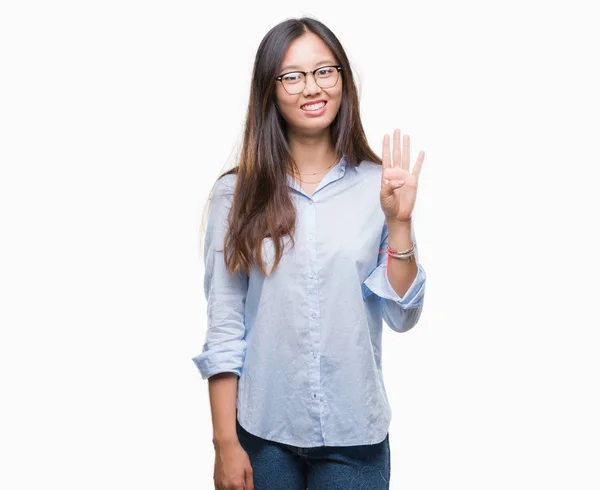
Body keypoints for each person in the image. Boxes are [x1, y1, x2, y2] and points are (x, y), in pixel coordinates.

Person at [192, 16, 427, 490]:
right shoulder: (235, 194)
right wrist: (225, 444)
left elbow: (403, 316)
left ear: (342, 79)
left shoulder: (377, 187)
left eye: (325, 70)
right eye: (292, 75)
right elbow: (225, 326)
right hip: (263, 436)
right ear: (270, 90)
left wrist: (399, 224)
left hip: (354, 439)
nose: (311, 87)